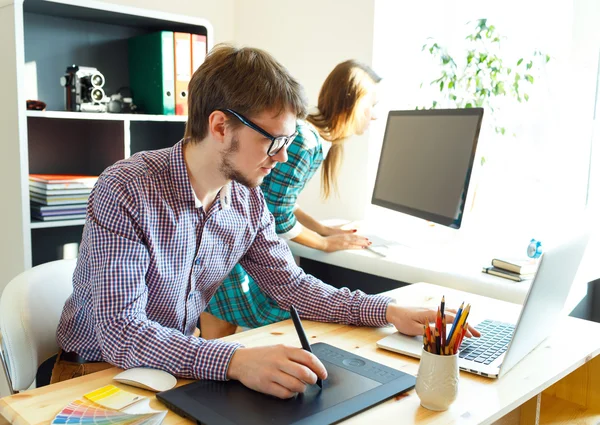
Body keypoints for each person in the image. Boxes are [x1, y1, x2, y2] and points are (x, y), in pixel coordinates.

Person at [53, 44, 478, 399]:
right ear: (219, 125)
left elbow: (291, 287)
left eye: (289, 142)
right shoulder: (127, 189)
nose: (282, 157)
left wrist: (386, 310)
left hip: (170, 368)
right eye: (273, 141)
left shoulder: (246, 200)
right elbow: (122, 332)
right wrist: (234, 360)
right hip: (94, 375)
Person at [201, 60, 382, 338]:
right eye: (372, 105)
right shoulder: (306, 142)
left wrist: (323, 229)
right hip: (237, 252)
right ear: (352, 101)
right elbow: (277, 213)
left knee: (217, 334)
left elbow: (281, 200)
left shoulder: (315, 139)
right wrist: (322, 242)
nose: (374, 116)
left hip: (230, 246)